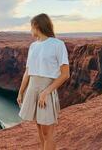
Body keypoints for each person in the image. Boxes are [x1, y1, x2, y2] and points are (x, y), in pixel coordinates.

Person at [17, 13, 70, 150]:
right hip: (32, 89)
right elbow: (28, 72)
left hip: (46, 90)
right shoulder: (33, 46)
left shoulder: (58, 44)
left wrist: (46, 92)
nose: (30, 30)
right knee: (40, 132)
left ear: (37, 26)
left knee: (48, 133)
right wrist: (20, 92)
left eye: (31, 26)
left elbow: (65, 74)